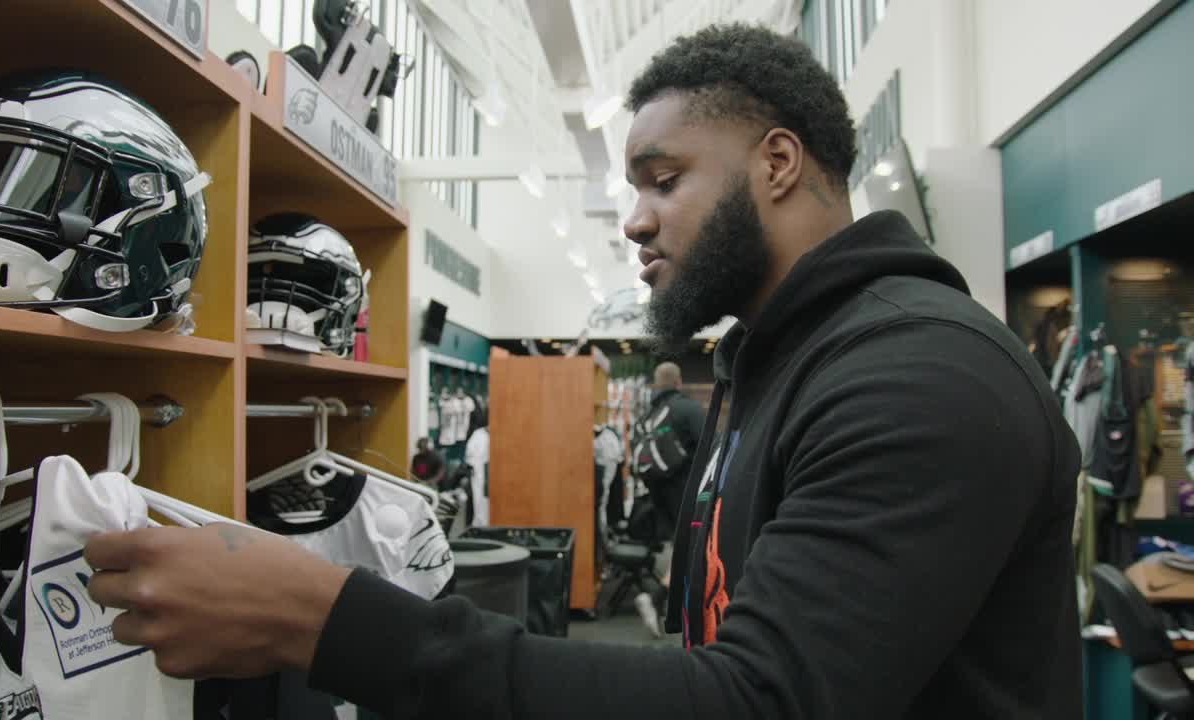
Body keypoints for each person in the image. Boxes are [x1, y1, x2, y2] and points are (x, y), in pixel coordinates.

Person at [84, 24, 1082, 718]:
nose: (636, 220)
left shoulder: (919, 375)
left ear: (776, 163)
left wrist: (319, 617)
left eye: (663, 179)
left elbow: (762, 702)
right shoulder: (769, 367)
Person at [632, 361, 703, 636]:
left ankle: (667, 603)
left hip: (660, 496)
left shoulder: (647, 415)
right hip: (689, 492)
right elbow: (711, 446)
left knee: (683, 546)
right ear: (679, 382)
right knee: (693, 547)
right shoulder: (687, 409)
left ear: (656, 384)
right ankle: (657, 597)